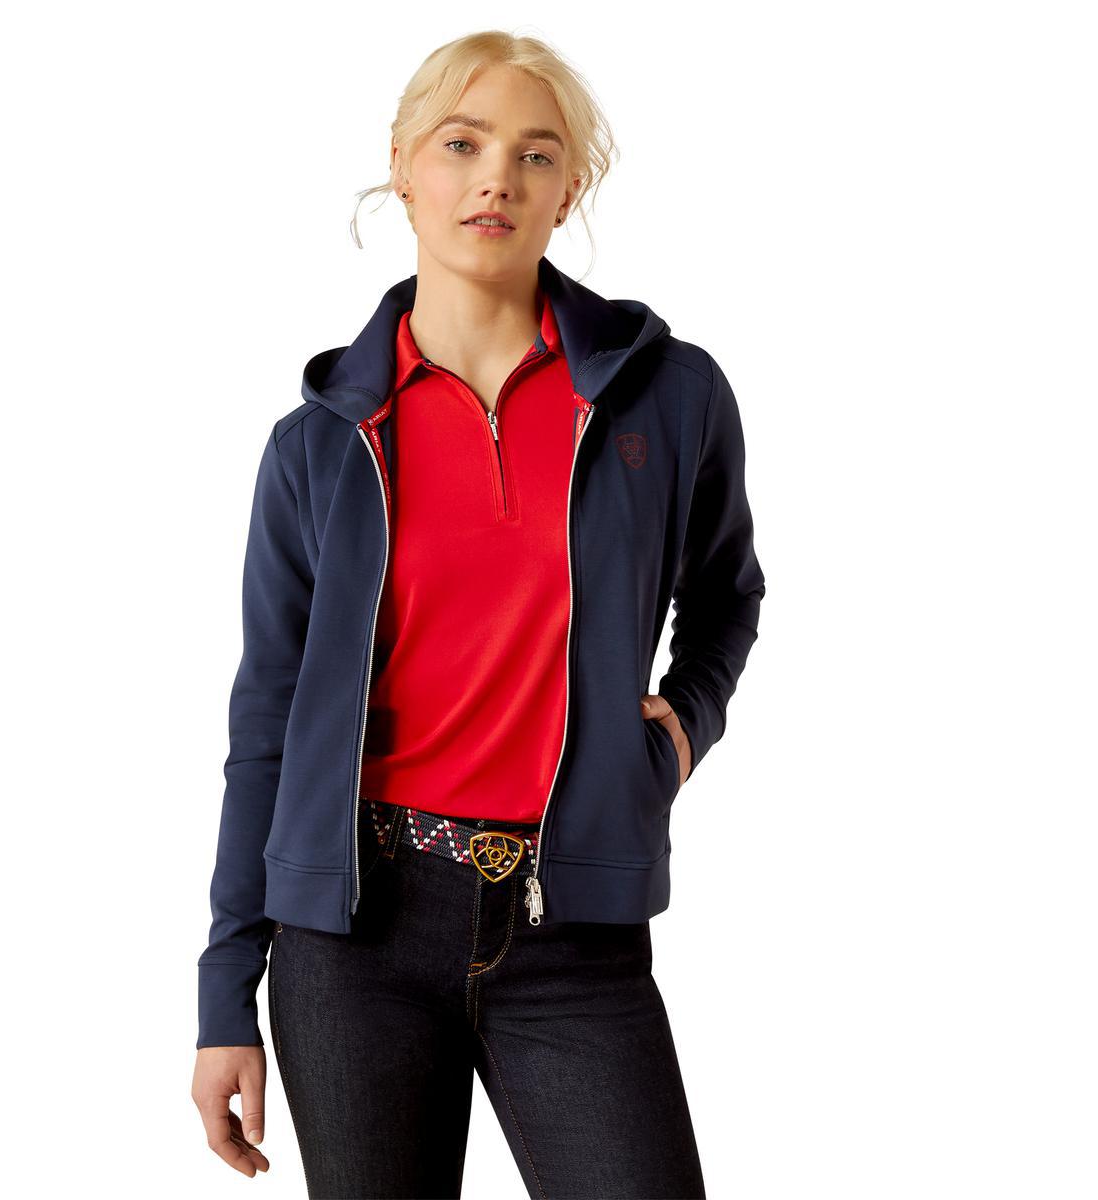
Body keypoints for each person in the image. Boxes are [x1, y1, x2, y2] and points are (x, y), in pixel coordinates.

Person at [191, 29, 766, 1199]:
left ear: (569, 192)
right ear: (403, 167)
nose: (496, 176)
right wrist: (223, 999)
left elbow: (727, 594)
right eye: (462, 143)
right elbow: (268, 725)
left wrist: (678, 734)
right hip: (352, 941)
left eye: (534, 154)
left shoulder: (668, 397)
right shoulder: (319, 446)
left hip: (575, 929)